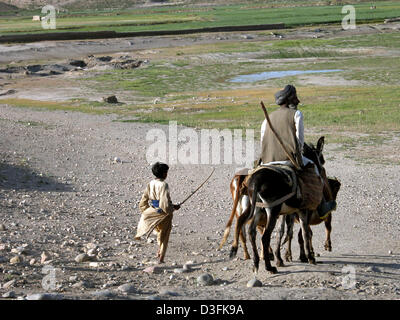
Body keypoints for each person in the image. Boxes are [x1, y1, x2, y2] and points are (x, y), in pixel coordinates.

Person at [260, 84, 336, 218]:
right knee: (316, 168)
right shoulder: (296, 114)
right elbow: (299, 141)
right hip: (288, 159)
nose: (297, 101)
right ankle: (322, 205)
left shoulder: (267, 118)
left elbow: (262, 141)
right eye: (295, 98)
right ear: (290, 100)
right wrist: (298, 155)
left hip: (267, 160)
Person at [134, 162, 180, 264]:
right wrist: (173, 208)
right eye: (166, 172)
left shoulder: (151, 183)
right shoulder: (164, 185)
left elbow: (144, 199)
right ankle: (161, 258)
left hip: (151, 211)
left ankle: (159, 251)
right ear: (164, 173)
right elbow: (164, 203)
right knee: (164, 235)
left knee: (159, 232)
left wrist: (147, 211)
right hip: (163, 213)